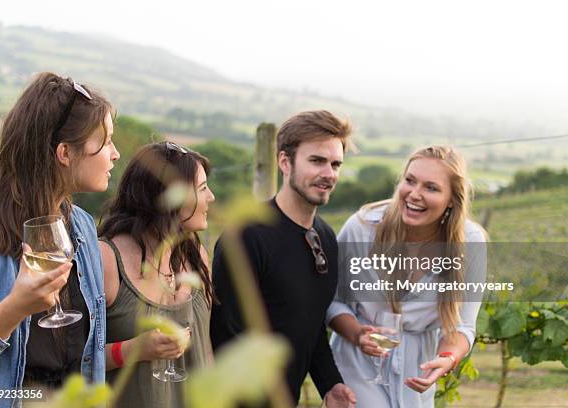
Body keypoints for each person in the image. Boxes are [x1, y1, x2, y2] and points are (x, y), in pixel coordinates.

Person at [0, 72, 119, 405]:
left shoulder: (82, 227)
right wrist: (14, 309)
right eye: (105, 141)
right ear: (65, 153)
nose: (114, 154)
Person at [210, 110, 357, 407]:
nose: (329, 173)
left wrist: (330, 384)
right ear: (284, 162)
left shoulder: (327, 238)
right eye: (316, 161)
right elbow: (225, 340)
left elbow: (309, 323)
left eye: (335, 164)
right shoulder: (246, 237)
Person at [327, 145, 487, 408]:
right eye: (410, 181)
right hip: (357, 362)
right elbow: (332, 300)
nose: (415, 194)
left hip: (417, 371)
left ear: (451, 200)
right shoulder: (363, 227)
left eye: (431, 188)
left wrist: (446, 358)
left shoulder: (469, 242)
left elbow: (462, 326)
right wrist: (358, 334)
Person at [99, 141, 215, 407]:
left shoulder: (197, 255)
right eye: (202, 188)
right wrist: (130, 351)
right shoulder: (105, 259)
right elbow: (69, 361)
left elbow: (204, 349)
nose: (211, 198)